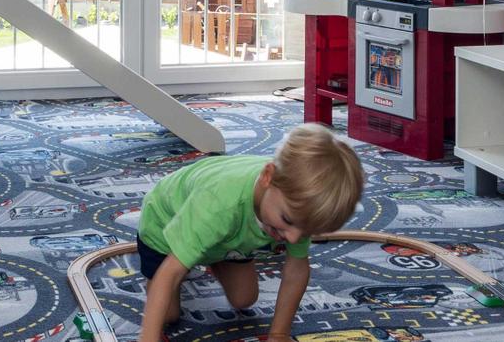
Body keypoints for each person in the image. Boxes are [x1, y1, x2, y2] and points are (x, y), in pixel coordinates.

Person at [136, 124, 365, 342]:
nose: (294, 238)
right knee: (168, 315)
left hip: (226, 234)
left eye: (307, 231)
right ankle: (183, 259)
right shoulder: (219, 204)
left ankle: (209, 253)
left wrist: (278, 334)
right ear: (268, 177)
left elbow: (296, 269)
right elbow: (171, 272)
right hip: (164, 224)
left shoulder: (297, 208)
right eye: (287, 221)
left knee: (244, 299)